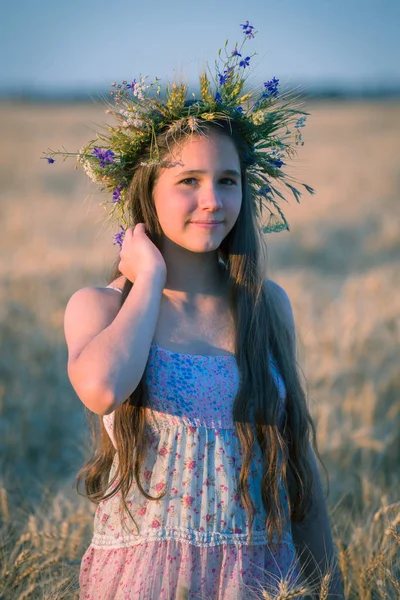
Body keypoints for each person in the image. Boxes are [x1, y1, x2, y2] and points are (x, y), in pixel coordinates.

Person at [55, 22, 345, 600]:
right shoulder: (100, 306)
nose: (213, 199)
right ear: (147, 192)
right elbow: (102, 388)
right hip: (147, 581)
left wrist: (333, 589)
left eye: (227, 180)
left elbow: (299, 469)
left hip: (260, 576)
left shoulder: (265, 307)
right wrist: (151, 276)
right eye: (189, 180)